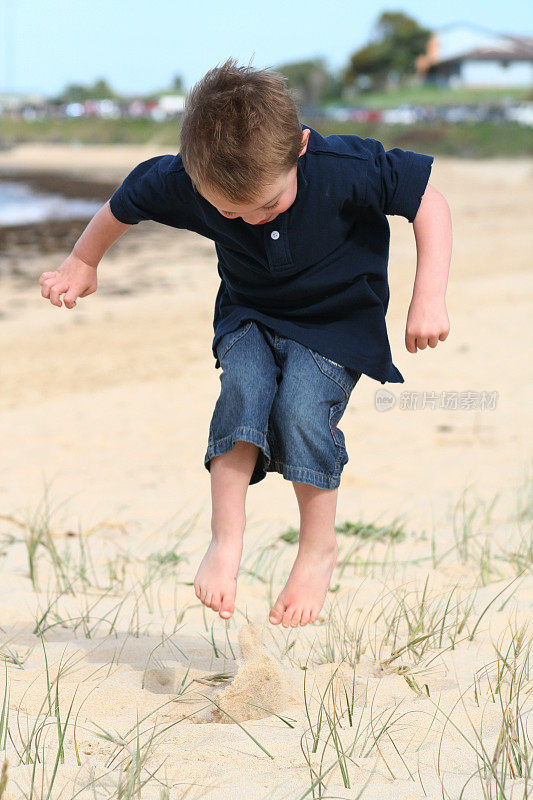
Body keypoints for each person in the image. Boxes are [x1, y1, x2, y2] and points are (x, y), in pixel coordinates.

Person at [38, 57, 452, 629]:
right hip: (250, 313)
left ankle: (317, 548)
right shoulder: (186, 180)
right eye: (232, 212)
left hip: (336, 323)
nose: (252, 220)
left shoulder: (341, 166)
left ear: (300, 149)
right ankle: (225, 541)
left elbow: (428, 198)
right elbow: (125, 201)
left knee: (302, 408)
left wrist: (427, 294)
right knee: (245, 389)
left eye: (269, 205)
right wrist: (82, 261)